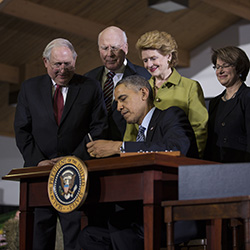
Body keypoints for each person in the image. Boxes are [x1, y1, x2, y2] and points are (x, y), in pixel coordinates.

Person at [78, 75, 200, 250]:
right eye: (117, 102)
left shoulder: (170, 115)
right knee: (89, 236)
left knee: (121, 227)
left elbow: (175, 149)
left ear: (143, 93)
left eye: (123, 99)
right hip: (142, 213)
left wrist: (118, 147)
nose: (118, 107)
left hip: (175, 215)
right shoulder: (139, 135)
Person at [14, 38, 108, 250]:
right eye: (57, 64)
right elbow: (22, 130)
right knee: (39, 237)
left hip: (76, 174)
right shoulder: (29, 88)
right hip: (40, 176)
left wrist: (73, 159)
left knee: (76, 237)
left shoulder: (90, 87)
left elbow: (98, 127)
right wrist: (38, 161)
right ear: (46, 62)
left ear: (75, 61)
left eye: (68, 64)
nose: (63, 70)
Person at [123, 30, 208, 158]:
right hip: (143, 160)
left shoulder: (190, 87)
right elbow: (131, 131)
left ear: (169, 56)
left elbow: (199, 130)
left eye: (153, 58)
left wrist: (191, 162)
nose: (149, 64)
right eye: (145, 60)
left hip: (178, 160)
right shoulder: (140, 89)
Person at [84, 26, 151, 141]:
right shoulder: (88, 79)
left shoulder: (145, 76)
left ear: (125, 48)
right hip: (95, 150)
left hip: (128, 148)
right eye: (104, 48)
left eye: (114, 48)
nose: (109, 54)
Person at [204, 46, 250, 163]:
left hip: (241, 167)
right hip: (217, 168)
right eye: (217, 67)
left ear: (239, 68)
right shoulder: (215, 102)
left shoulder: (247, 97)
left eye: (225, 66)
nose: (220, 71)